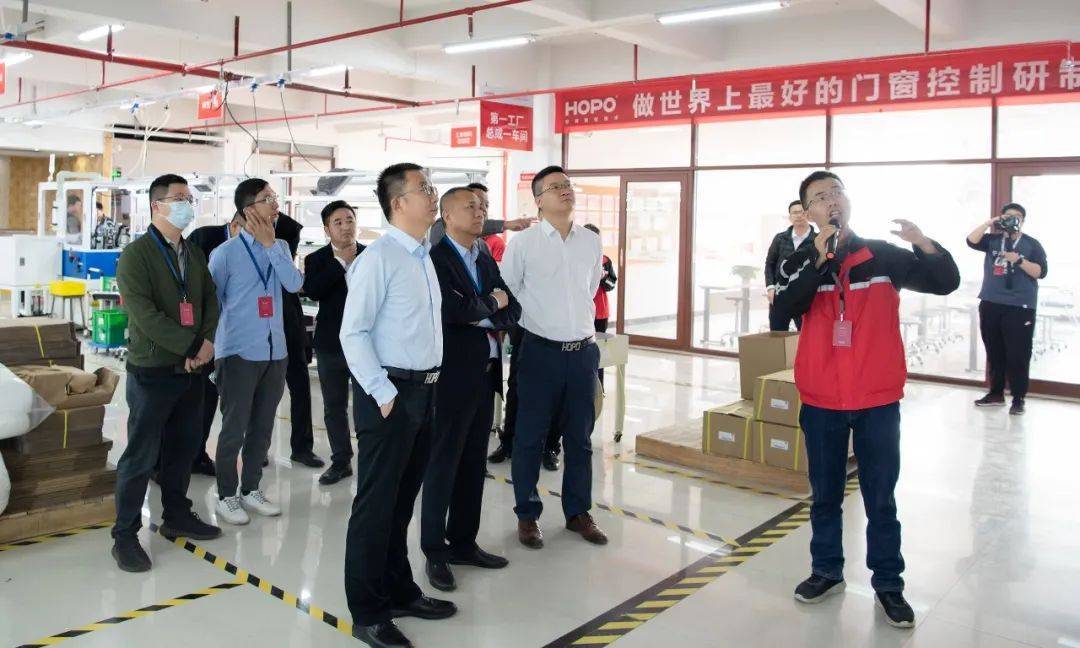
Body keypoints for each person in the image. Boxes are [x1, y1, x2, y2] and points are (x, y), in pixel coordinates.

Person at [772, 170, 960, 629]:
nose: (832, 200)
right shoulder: (798, 261)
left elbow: (945, 282)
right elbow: (782, 313)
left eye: (837, 192)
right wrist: (817, 260)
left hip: (877, 398)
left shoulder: (883, 255)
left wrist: (923, 243)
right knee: (825, 496)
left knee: (880, 498)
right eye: (820, 196)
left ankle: (889, 584)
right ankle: (826, 571)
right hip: (822, 398)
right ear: (808, 212)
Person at [341, 163, 456, 648]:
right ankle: (368, 611)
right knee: (375, 506)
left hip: (424, 392)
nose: (433, 195)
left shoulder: (422, 255)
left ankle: (400, 591)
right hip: (389, 394)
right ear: (398, 203)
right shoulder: (380, 258)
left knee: (402, 501)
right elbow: (353, 333)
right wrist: (383, 393)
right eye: (423, 188)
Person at [111, 174, 221, 572]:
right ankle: (125, 535)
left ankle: (176, 513)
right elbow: (144, 314)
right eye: (179, 198)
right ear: (157, 205)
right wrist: (191, 346)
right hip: (153, 369)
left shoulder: (193, 253)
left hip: (191, 370)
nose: (187, 204)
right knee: (141, 455)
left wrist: (205, 344)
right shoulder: (136, 255)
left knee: (182, 448)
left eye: (189, 198)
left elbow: (209, 301)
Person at [502, 165, 607, 550]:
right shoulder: (524, 244)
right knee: (530, 437)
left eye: (567, 185)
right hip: (540, 352)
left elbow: (590, 289)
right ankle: (527, 514)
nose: (565, 190)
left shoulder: (590, 242)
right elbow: (508, 291)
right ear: (538, 200)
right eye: (555, 186)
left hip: (582, 353)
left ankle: (578, 512)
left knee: (580, 438)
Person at [421, 187, 520, 593]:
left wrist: (488, 307)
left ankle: (463, 542)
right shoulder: (436, 259)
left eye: (483, 207)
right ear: (446, 215)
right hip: (451, 376)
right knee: (443, 463)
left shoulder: (483, 256)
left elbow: (512, 305)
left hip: (485, 371)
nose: (480, 212)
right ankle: (434, 550)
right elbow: (453, 312)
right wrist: (491, 305)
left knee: (473, 462)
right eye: (470, 207)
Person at [208, 178, 303, 526]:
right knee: (234, 428)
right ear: (248, 210)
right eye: (267, 199)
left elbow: (294, 284)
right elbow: (212, 305)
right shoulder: (225, 254)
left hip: (275, 352)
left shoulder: (279, 246)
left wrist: (271, 246)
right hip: (238, 351)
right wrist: (213, 352)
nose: (275, 204)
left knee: (262, 428)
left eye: (275, 197)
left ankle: (251, 489)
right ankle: (226, 495)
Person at [302, 200, 365, 485]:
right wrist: (340, 262)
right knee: (334, 406)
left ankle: (371, 458)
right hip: (331, 344)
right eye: (338, 222)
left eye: (349, 220)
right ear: (327, 229)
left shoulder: (371, 255)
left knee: (368, 404)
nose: (345, 226)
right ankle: (341, 460)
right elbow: (314, 291)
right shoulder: (316, 259)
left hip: (366, 344)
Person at [967, 203, 1048, 416]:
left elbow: (1040, 272)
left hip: (1020, 306)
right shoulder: (993, 240)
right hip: (991, 302)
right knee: (994, 351)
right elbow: (971, 240)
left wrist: (1019, 260)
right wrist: (989, 223)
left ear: (1023, 221)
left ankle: (1018, 399)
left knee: (1018, 354)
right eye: (1007, 216)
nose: (1011, 219)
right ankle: (996, 394)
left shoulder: (1031, 244)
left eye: (1016, 216)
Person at [183, 212, 246, 477]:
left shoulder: (253, 250)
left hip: (226, 336)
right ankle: (174, 459)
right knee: (191, 401)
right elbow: (190, 289)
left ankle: (198, 455)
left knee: (209, 399)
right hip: (199, 335)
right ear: (235, 225)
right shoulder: (204, 239)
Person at [276, 210, 326, 469]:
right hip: (262, 329)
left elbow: (293, 282)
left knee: (300, 388)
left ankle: (302, 447)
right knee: (260, 394)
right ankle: (257, 449)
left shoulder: (286, 230)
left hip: (290, 325)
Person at [428, 181, 533, 247]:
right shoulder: (440, 227)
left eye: (486, 205)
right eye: (472, 205)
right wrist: (506, 224)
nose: (482, 210)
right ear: (448, 216)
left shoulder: (482, 248)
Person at [765, 200, 816, 331]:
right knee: (777, 336)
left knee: (805, 336)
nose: (799, 215)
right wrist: (770, 287)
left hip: (805, 298)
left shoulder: (817, 240)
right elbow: (770, 264)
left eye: (802, 212)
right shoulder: (780, 239)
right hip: (780, 295)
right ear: (790, 217)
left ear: (808, 215)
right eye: (795, 213)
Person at [583, 223, 617, 386]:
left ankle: (599, 388)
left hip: (600, 312)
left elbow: (611, 284)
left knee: (599, 350)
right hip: (582, 312)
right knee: (583, 351)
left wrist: (603, 277)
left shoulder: (605, 260)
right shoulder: (575, 258)